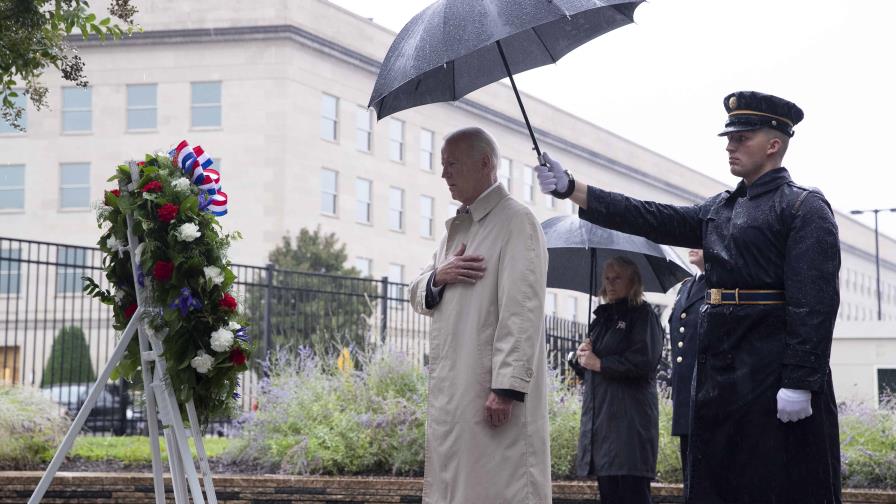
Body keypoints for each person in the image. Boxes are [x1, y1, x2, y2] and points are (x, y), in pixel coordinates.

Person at [535, 91, 842, 504]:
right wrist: (574, 188)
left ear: (774, 145)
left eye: (742, 138)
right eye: (729, 138)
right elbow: (650, 216)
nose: (730, 146)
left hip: (771, 370)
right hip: (720, 373)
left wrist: (800, 381)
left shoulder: (804, 207)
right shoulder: (721, 208)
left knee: (776, 485)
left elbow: (815, 304)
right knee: (720, 484)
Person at [409, 127, 551, 503]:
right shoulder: (454, 232)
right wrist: (439, 276)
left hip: (490, 393)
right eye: (442, 165)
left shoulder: (517, 222)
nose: (444, 175)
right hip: (457, 393)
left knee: (499, 489)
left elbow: (523, 309)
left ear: (486, 163)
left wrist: (506, 387)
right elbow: (417, 293)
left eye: (452, 164)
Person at [570, 256, 662, 504]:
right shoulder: (602, 319)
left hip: (630, 425)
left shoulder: (643, 316)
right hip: (604, 426)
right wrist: (582, 359)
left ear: (633, 281)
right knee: (610, 494)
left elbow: (645, 362)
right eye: (607, 278)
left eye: (617, 278)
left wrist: (599, 363)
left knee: (632, 494)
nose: (610, 284)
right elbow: (591, 370)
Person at [667, 249, 706, 487]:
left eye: (699, 241)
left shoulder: (723, 284)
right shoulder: (687, 286)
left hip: (709, 395)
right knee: (690, 482)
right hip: (686, 397)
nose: (692, 245)